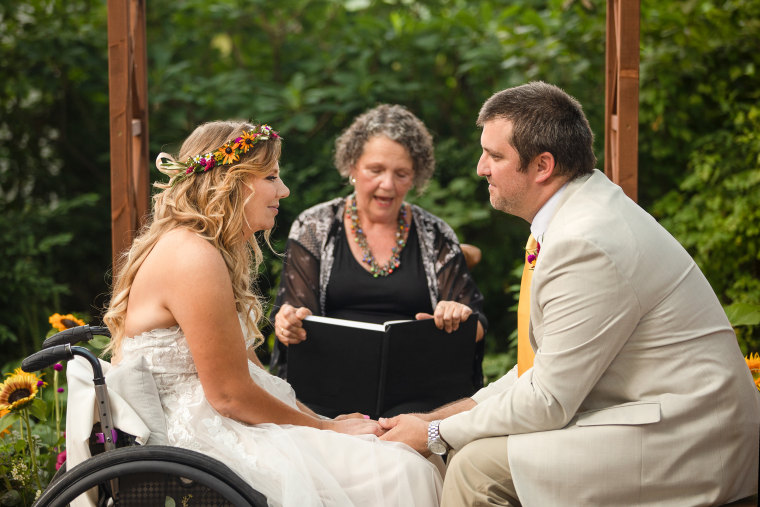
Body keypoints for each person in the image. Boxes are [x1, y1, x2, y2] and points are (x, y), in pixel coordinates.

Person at [379, 82, 760, 506]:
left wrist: (434, 433)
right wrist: (433, 419)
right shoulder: (573, 216)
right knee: (462, 446)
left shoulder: (586, 240)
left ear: (542, 165)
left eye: (495, 155)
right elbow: (537, 370)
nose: (480, 167)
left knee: (477, 467)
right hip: (656, 416)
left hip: (690, 436)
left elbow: (547, 400)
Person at [102, 120, 442, 506]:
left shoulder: (206, 250)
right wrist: (324, 428)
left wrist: (327, 425)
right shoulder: (192, 256)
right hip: (203, 443)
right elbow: (230, 395)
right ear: (231, 181)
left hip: (226, 423)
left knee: (395, 453)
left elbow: (252, 376)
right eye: (271, 177)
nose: (284, 190)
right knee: (401, 470)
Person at [270, 104, 488, 416]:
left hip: (416, 400)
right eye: (376, 170)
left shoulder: (435, 233)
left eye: (401, 174)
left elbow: (477, 325)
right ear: (352, 167)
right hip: (329, 392)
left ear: (415, 177)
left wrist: (459, 315)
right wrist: (289, 325)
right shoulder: (314, 227)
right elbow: (296, 321)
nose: (388, 184)